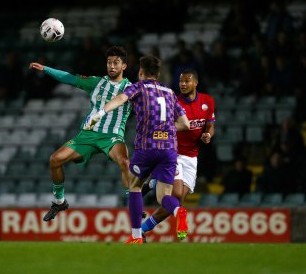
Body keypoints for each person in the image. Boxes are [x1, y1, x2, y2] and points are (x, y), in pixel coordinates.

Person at [85, 55, 190, 243]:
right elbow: (186, 124)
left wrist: (100, 113)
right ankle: (178, 211)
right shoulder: (170, 92)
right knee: (164, 196)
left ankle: (136, 237)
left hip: (147, 147)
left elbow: (120, 99)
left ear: (141, 72)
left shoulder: (138, 87)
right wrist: (165, 129)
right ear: (157, 74)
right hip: (169, 149)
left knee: (134, 186)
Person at [29, 46, 132, 221]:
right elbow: (69, 78)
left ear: (124, 66)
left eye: (116, 63)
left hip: (112, 136)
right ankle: (59, 201)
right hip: (88, 135)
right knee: (55, 160)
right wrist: (46, 69)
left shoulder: (131, 88)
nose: (112, 66)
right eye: (109, 62)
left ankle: (133, 204)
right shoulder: (96, 82)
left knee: (125, 162)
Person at [141, 69, 216, 240]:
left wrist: (208, 135)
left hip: (192, 157)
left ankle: (143, 228)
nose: (183, 84)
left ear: (195, 83)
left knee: (177, 201)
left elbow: (210, 126)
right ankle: (155, 182)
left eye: (187, 81)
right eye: (181, 81)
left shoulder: (207, 101)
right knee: (174, 195)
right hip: (172, 154)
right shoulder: (174, 101)